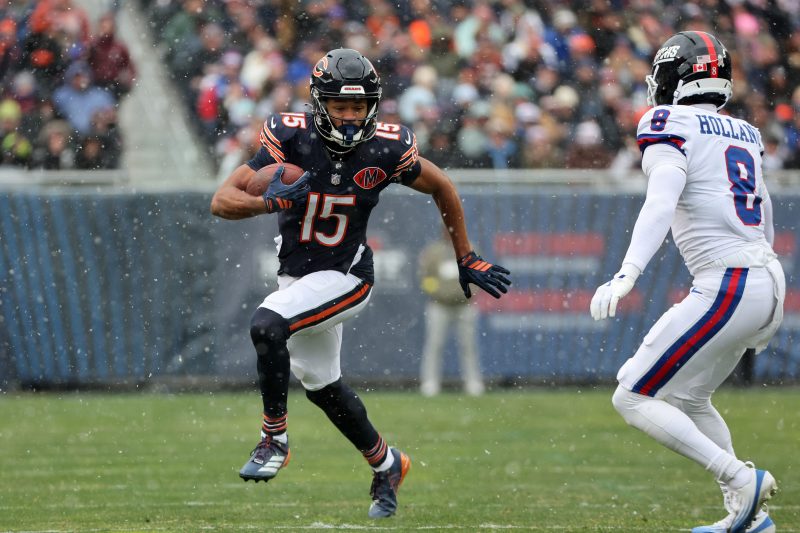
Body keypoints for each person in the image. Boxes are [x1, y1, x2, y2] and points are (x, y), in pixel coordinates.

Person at [210, 48, 511, 518]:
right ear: (319, 104)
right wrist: (268, 203)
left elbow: (442, 186)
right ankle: (387, 464)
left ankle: (274, 438)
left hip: (347, 275)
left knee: (267, 325)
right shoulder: (289, 136)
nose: (351, 117)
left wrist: (465, 256)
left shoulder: (387, 147)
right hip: (298, 276)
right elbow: (222, 201)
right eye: (340, 106)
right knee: (323, 386)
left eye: (359, 106)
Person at [589, 31, 784, 533]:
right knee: (690, 398)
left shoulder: (667, 121)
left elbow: (660, 201)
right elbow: (765, 216)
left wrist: (627, 272)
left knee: (631, 395)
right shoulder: (744, 132)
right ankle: (748, 516)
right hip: (765, 278)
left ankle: (740, 479)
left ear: (673, 78)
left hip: (730, 280)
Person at [418, 226, 485, 396]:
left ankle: (473, 382)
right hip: (439, 305)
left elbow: (479, 275)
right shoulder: (433, 251)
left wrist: (471, 292)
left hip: (465, 306)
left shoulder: (469, 249)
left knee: (468, 346)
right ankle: (430, 383)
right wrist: (437, 292)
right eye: (447, 229)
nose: (450, 232)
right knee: (435, 345)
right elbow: (426, 276)